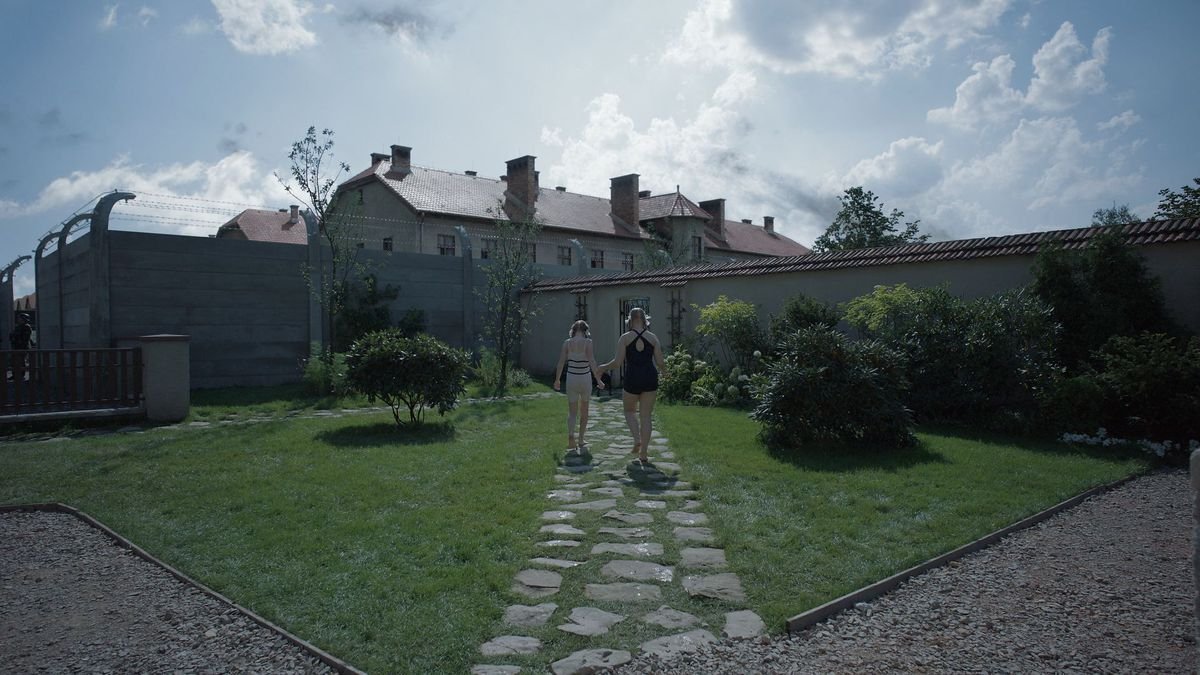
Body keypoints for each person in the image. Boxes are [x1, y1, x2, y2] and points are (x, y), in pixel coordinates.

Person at [600, 307, 666, 464]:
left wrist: (603, 367)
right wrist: (666, 372)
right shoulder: (653, 338)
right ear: (644, 320)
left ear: (630, 320)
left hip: (632, 378)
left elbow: (617, 363)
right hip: (650, 378)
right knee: (646, 417)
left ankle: (637, 439)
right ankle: (643, 453)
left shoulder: (624, 338)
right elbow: (660, 362)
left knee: (629, 411)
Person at [553, 320, 606, 450]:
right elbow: (592, 360)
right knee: (585, 410)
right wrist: (598, 379)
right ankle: (581, 439)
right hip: (585, 378)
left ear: (573, 330)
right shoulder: (588, 342)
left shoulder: (567, 343)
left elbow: (560, 363)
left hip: (571, 377)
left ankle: (571, 435)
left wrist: (557, 380)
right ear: (585, 330)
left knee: (572, 412)